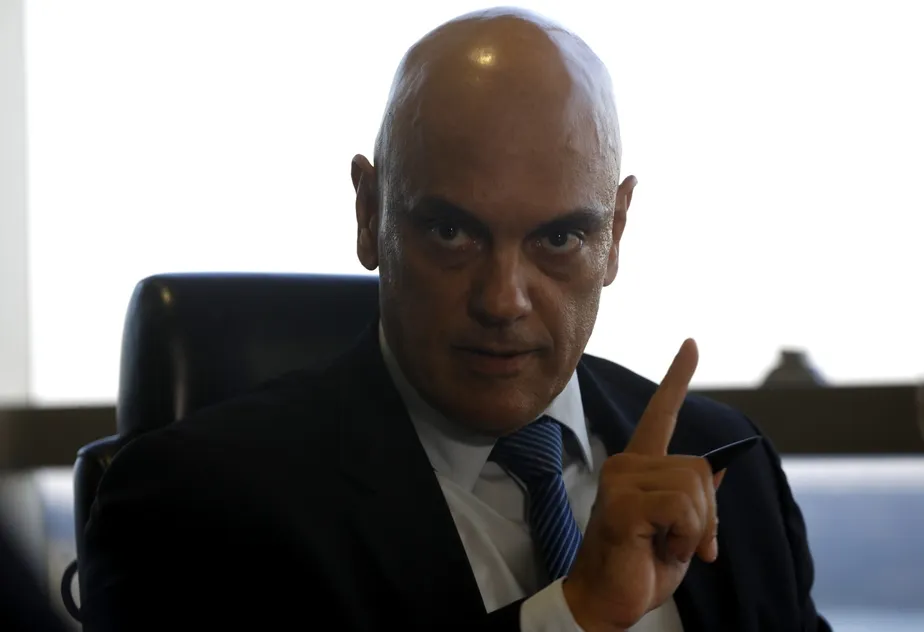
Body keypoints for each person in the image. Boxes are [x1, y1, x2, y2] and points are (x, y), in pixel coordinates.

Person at [81, 8, 831, 632]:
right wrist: (576, 614)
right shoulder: (192, 507)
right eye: (451, 232)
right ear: (369, 214)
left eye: (559, 238)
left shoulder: (727, 468)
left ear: (616, 233)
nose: (502, 300)